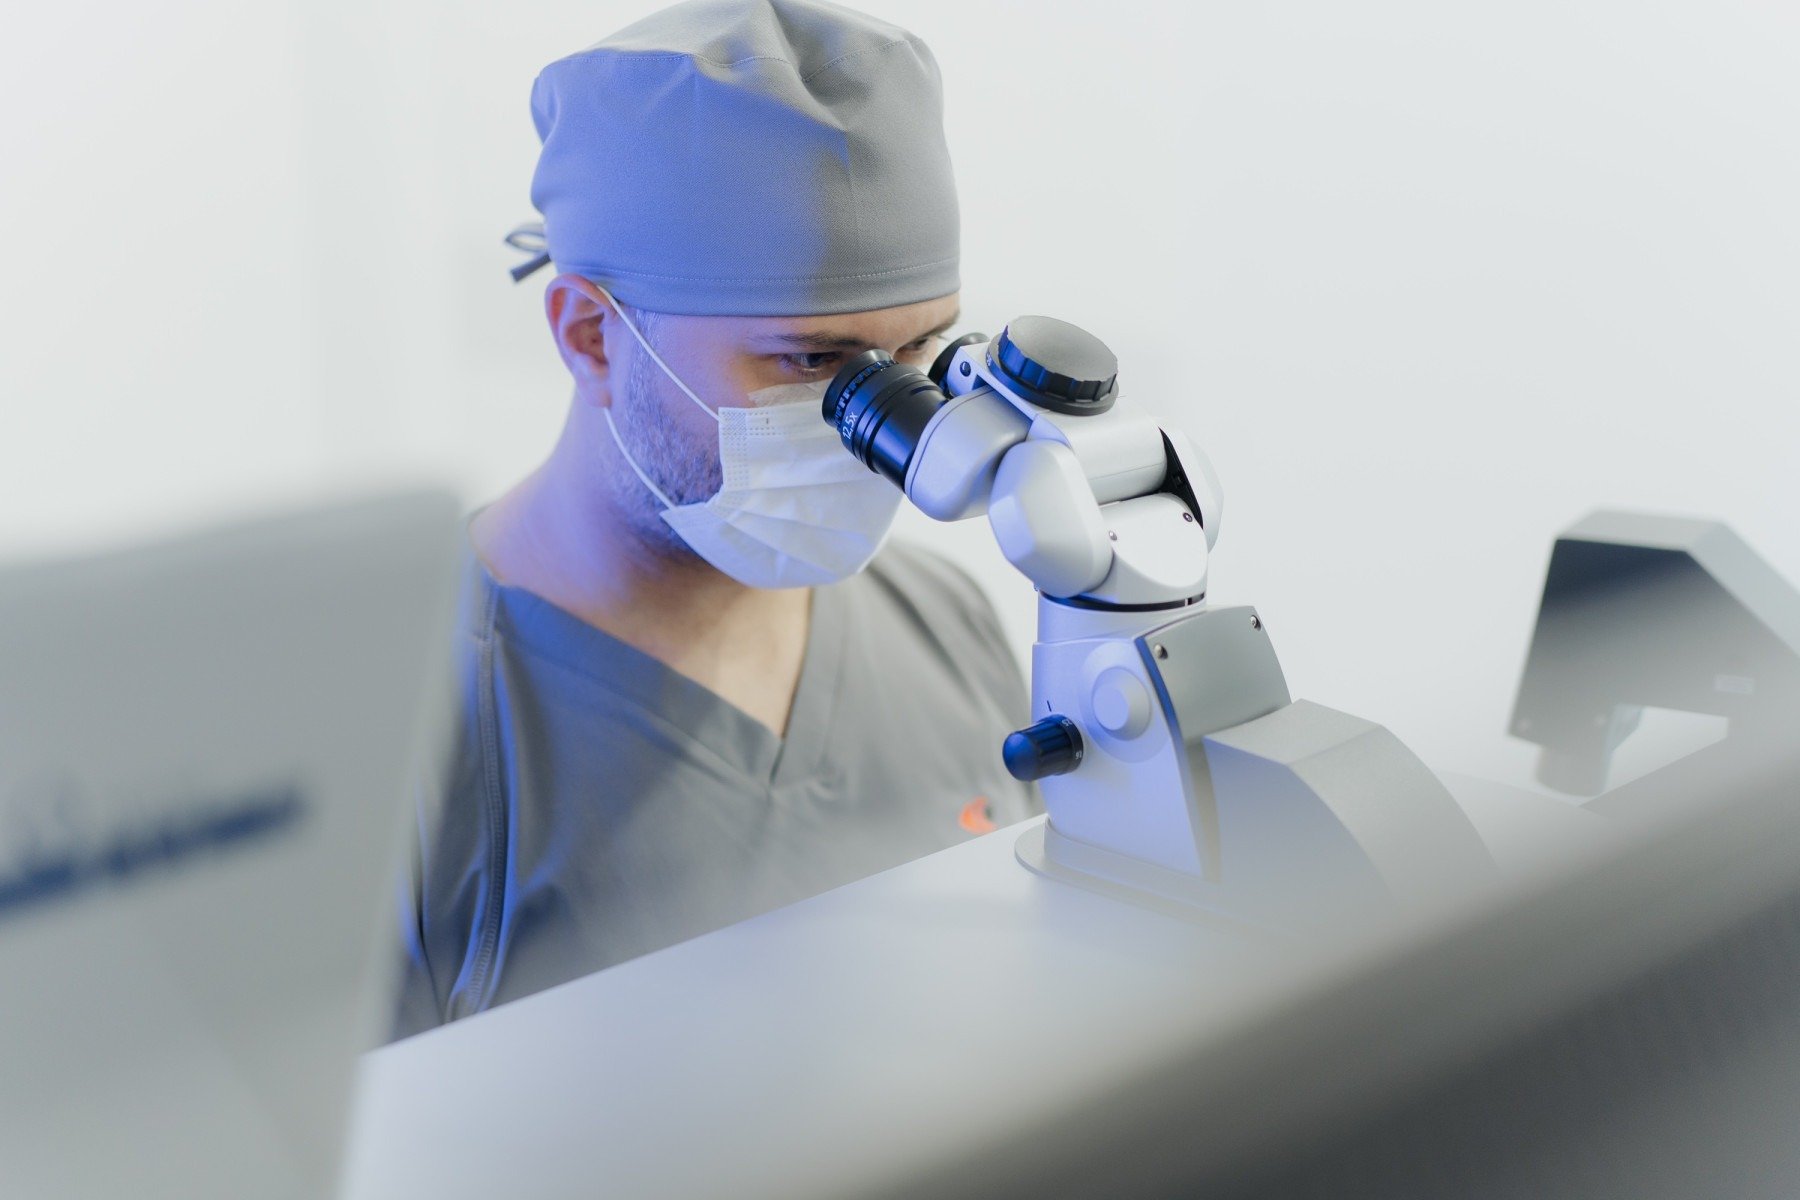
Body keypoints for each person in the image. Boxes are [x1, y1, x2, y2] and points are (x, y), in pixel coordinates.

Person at [392, 0, 1039, 1038]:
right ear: (592, 337)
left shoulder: (945, 626)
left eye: (920, 352)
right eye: (813, 360)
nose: (886, 423)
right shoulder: (404, 757)